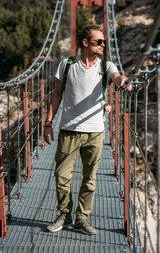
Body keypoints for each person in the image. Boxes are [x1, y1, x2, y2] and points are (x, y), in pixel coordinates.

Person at [44, 24, 129, 235]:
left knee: (89, 179)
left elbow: (116, 75)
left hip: (95, 132)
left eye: (104, 42)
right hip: (69, 130)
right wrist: (47, 123)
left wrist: (122, 81)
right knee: (61, 176)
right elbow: (56, 94)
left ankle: (82, 218)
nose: (103, 45)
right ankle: (65, 214)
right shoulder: (67, 64)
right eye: (98, 41)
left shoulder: (105, 66)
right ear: (85, 43)